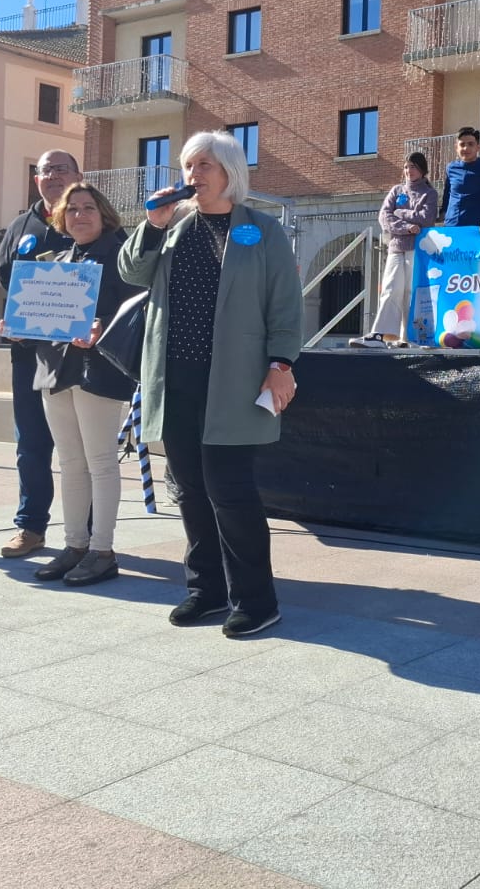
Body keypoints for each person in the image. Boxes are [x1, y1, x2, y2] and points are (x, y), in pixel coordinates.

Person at [117, 130, 301, 638]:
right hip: (175, 378)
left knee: (231, 490)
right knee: (191, 490)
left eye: (202, 166)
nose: (191, 176)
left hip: (235, 382)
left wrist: (281, 363)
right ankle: (207, 590)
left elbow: (285, 304)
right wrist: (151, 225)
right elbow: (131, 271)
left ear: (228, 172)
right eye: (187, 166)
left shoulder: (261, 230)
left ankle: (256, 600)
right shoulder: (174, 228)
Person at [29, 182, 135, 586]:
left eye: (88, 207)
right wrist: (20, 327)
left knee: (101, 462)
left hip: (100, 370)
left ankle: (102, 551)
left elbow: (138, 308)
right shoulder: (55, 261)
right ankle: (74, 545)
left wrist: (103, 326)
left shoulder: (122, 257)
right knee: (70, 463)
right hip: (56, 370)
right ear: (60, 217)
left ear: (103, 213)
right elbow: (41, 313)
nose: (80, 215)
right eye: (71, 209)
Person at [0, 150, 78, 558]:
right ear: (36, 180)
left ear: (78, 175)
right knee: (30, 443)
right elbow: (5, 280)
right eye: (45, 171)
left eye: (61, 169)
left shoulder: (89, 215)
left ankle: (89, 535)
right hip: (28, 354)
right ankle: (30, 527)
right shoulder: (19, 226)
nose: (52, 176)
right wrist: (12, 321)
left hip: (80, 356)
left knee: (79, 448)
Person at [351, 152, 438, 349]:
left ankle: (408, 338)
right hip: (396, 247)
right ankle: (380, 335)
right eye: (406, 167)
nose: (409, 171)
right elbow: (384, 217)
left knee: (410, 291)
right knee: (391, 288)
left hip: (417, 249)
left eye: (413, 167)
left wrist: (401, 213)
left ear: (423, 170)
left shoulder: (429, 193)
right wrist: (406, 226)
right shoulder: (396, 190)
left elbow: (427, 218)